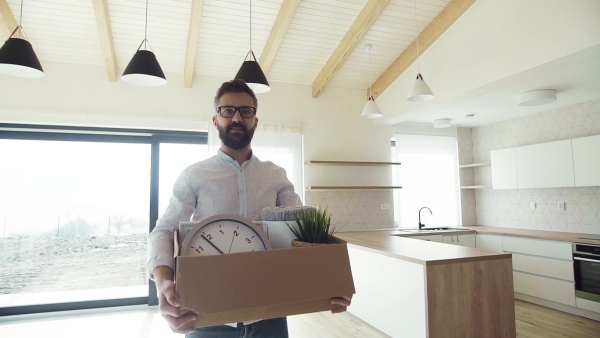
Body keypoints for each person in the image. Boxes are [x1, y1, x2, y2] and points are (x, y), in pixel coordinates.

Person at [148, 79, 352, 337]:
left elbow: (304, 233)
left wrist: (331, 277)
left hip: (271, 316)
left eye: (246, 111)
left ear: (255, 121)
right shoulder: (194, 175)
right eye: (227, 110)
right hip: (206, 317)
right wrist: (163, 283)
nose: (237, 118)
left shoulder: (276, 175)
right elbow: (165, 230)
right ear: (215, 121)